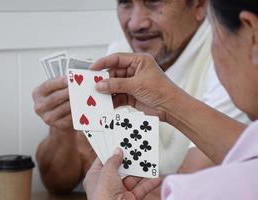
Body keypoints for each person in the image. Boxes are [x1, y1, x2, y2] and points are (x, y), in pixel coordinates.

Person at [32, 0, 249, 195]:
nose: (136, 23)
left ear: (200, 5)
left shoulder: (230, 57)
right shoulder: (119, 53)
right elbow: (57, 181)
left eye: (154, 2)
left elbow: (188, 190)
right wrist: (63, 125)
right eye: (125, 3)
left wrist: (97, 168)